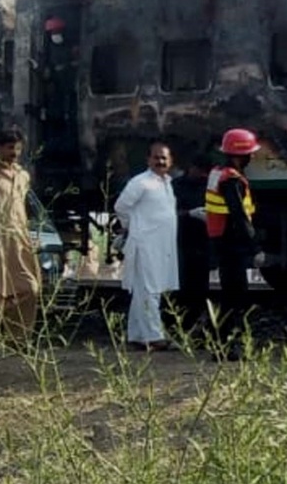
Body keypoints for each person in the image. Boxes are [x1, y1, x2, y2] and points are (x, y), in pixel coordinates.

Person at [0, 128, 43, 360]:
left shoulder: (23, 176)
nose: (14, 152)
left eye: (17, 148)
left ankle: (19, 340)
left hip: (20, 239)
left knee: (29, 288)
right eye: (9, 147)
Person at [204, 128, 266, 358]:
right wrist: (256, 247)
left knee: (229, 295)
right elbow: (239, 216)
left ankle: (221, 345)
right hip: (231, 243)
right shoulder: (232, 180)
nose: (252, 157)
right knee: (236, 297)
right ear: (241, 155)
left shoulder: (217, 173)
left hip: (221, 240)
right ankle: (229, 347)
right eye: (249, 153)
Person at [113, 142, 179, 352]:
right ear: (148, 159)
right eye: (156, 157)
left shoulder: (167, 182)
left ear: (170, 161)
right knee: (150, 290)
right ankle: (154, 336)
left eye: (164, 158)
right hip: (145, 244)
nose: (160, 161)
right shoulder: (140, 182)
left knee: (145, 289)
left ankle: (136, 336)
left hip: (161, 245)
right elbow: (121, 206)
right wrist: (132, 226)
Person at [172, 155, 213, 330]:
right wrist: (189, 214)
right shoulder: (176, 186)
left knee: (200, 284)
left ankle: (195, 319)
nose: (202, 174)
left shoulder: (207, 186)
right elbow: (168, 213)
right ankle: (183, 321)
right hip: (181, 238)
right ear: (191, 168)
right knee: (182, 283)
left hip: (202, 240)